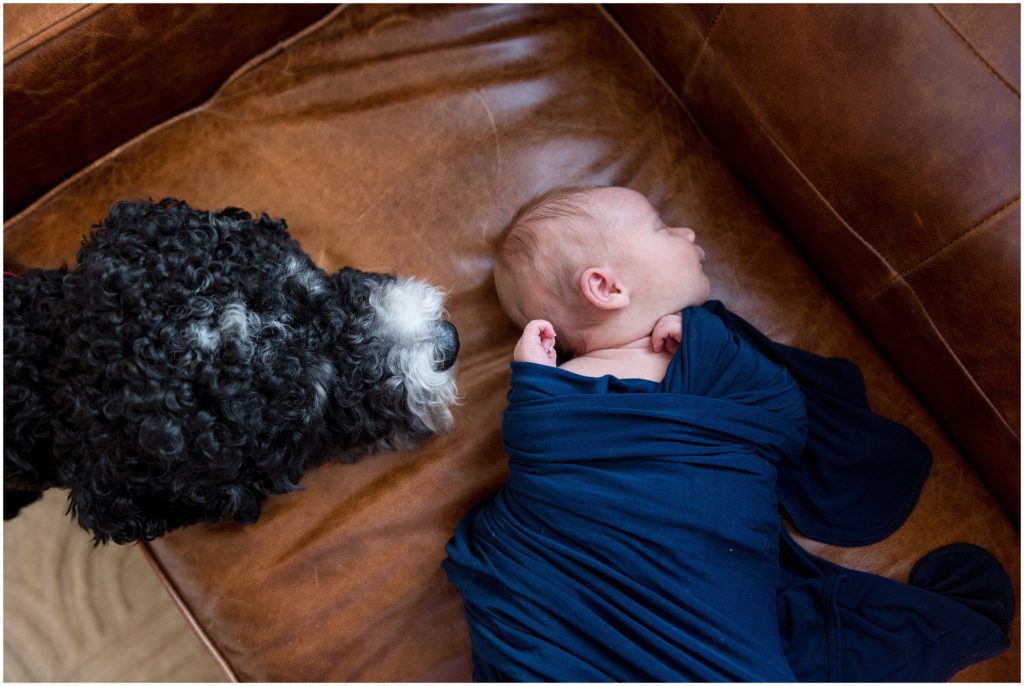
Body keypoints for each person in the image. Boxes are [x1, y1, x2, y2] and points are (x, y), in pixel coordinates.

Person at [442, 185, 1012, 682]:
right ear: (606, 287)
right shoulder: (558, 395)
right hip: (590, 573)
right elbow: (543, 452)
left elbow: (778, 421)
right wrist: (535, 389)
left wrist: (712, 352)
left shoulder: (704, 350)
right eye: (663, 226)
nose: (687, 229)